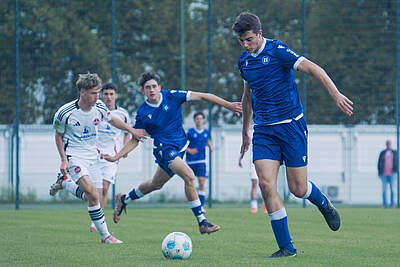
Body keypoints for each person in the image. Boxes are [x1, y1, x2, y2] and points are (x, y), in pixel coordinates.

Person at [232, 12, 353, 258]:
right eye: (241, 41)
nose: (246, 45)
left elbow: (314, 68)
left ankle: (322, 202)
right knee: (266, 185)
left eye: (249, 39)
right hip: (264, 130)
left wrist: (336, 94)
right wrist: (245, 131)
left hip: (291, 126)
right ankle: (287, 248)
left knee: (297, 188)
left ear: (260, 34)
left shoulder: (278, 51)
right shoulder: (244, 62)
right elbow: (247, 97)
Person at [102, 71, 241, 235]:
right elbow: (135, 138)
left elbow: (203, 96)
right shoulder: (143, 113)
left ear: (160, 87)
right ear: (142, 91)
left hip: (180, 147)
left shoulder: (173, 96)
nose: (152, 90)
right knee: (189, 176)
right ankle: (202, 222)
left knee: (155, 184)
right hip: (164, 150)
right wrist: (116, 157)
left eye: (154, 86)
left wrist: (228, 105)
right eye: (148, 87)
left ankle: (124, 199)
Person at [50, 72, 149, 244]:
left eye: (98, 92)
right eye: (93, 93)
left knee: (93, 197)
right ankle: (106, 236)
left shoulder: (100, 108)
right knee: (93, 194)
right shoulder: (65, 113)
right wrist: (64, 159)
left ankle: (64, 183)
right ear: (82, 91)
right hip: (75, 156)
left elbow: (113, 121)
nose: (98, 96)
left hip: (93, 156)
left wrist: (132, 131)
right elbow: (58, 136)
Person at [89, 82, 132, 232]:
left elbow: (127, 132)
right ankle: (97, 218)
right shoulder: (95, 110)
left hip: (112, 156)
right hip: (94, 155)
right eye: (106, 94)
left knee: (105, 188)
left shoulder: (123, 114)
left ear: (116, 96)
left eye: (111, 94)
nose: (108, 97)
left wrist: (124, 148)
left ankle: (96, 222)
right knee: (95, 189)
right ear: (102, 95)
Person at [186, 111, 213, 211]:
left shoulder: (206, 132)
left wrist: (210, 146)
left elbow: (207, 141)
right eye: (197, 119)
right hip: (190, 162)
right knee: (191, 184)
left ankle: (201, 206)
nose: (199, 120)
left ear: (204, 120)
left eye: (201, 118)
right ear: (194, 120)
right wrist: (189, 150)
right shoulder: (190, 132)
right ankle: (194, 204)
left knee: (202, 183)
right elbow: (183, 145)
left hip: (201, 161)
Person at [377, 140, 397, 208]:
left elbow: (396, 161)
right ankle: (384, 204)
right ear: (386, 144)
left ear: (390, 144)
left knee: (392, 189)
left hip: (392, 174)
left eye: (389, 144)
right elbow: (379, 163)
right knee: (384, 190)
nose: (388, 145)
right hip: (383, 174)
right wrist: (379, 172)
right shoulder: (382, 153)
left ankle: (392, 204)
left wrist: (396, 170)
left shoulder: (394, 152)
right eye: (387, 144)